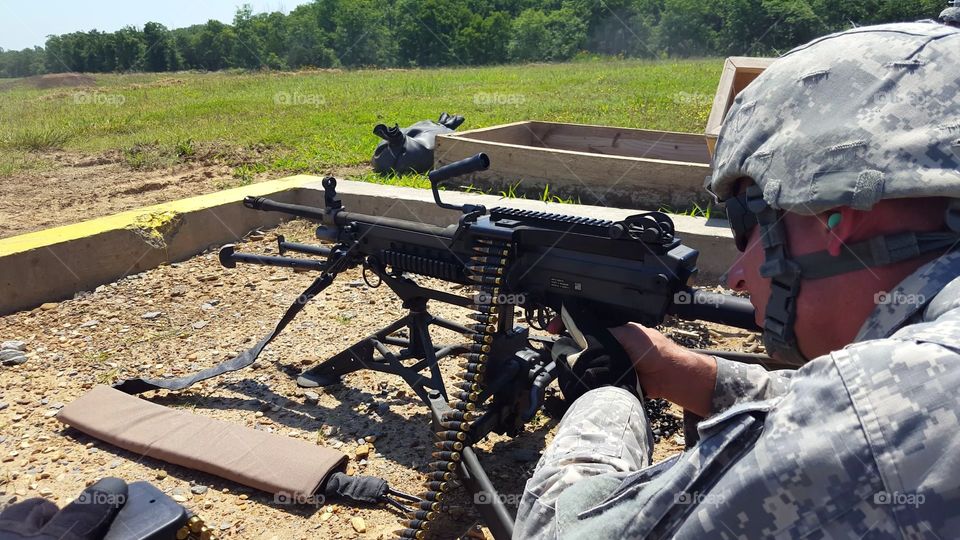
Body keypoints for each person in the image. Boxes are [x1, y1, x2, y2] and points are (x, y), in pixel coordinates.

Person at [515, 21, 960, 539]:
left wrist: (607, 397)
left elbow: (564, 531)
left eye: (748, 226)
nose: (737, 275)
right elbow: (816, 406)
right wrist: (671, 367)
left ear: (836, 217)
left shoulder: (883, 413)